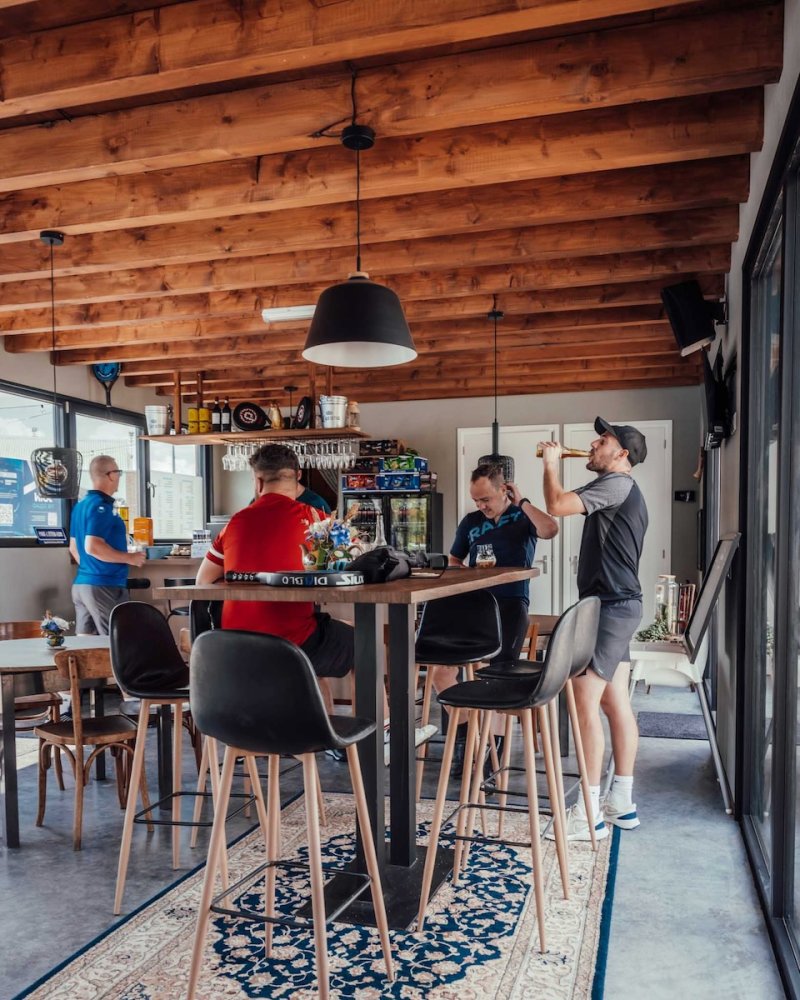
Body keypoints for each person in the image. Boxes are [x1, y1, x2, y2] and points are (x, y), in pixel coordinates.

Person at [540, 416, 648, 842]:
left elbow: (557, 505)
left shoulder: (617, 484)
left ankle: (587, 816)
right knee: (614, 701)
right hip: (618, 605)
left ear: (621, 453)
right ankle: (621, 803)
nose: (592, 444)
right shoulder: (621, 487)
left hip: (610, 608)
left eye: (602, 440)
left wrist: (551, 463)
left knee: (582, 701)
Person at [195, 444, 352, 711]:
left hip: (235, 645)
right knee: (364, 642)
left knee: (322, 640)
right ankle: (378, 731)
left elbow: (203, 581)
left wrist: (245, 578)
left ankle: (312, 725)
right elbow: (353, 561)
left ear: (258, 481)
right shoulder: (318, 521)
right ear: (297, 476)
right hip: (294, 642)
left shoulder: (234, 523)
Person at [432, 462, 559, 771]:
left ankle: (493, 753)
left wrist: (523, 501)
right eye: (476, 500)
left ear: (505, 490)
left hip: (511, 603)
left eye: (486, 499)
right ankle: (466, 739)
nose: (481, 506)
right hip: (474, 605)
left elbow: (550, 530)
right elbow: (454, 559)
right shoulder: (471, 521)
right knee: (441, 672)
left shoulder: (522, 516)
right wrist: (466, 574)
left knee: (498, 676)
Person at [69, 454, 146, 635]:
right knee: (116, 641)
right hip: (104, 586)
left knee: (86, 644)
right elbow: (92, 546)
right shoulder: (101, 506)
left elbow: (74, 548)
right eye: (118, 472)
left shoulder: (81, 505)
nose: (119, 477)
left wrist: (90, 569)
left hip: (82, 586)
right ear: (110, 475)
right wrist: (129, 558)